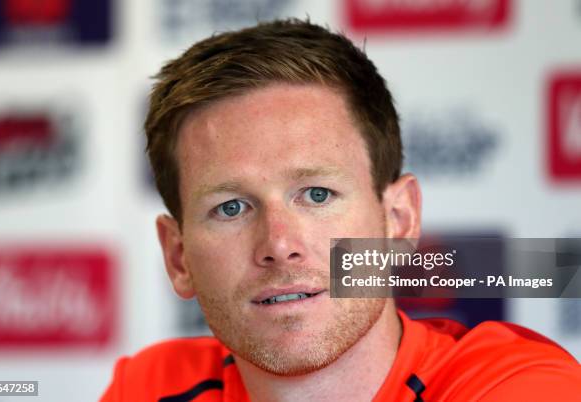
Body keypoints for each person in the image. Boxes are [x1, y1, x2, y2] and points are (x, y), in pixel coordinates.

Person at [100, 19, 581, 402]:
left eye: (316, 194)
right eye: (231, 207)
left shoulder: (517, 388)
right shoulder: (150, 388)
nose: (279, 245)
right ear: (179, 258)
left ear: (398, 220)